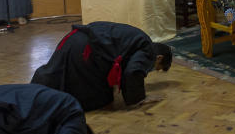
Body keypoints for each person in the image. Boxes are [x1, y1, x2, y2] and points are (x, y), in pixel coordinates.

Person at [31, 21, 173, 110]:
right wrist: (140, 98)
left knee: (58, 72)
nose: (151, 70)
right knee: (100, 97)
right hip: (86, 49)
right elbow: (133, 71)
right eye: (156, 67)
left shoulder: (140, 38)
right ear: (159, 58)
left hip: (74, 38)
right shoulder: (147, 49)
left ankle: (33, 94)